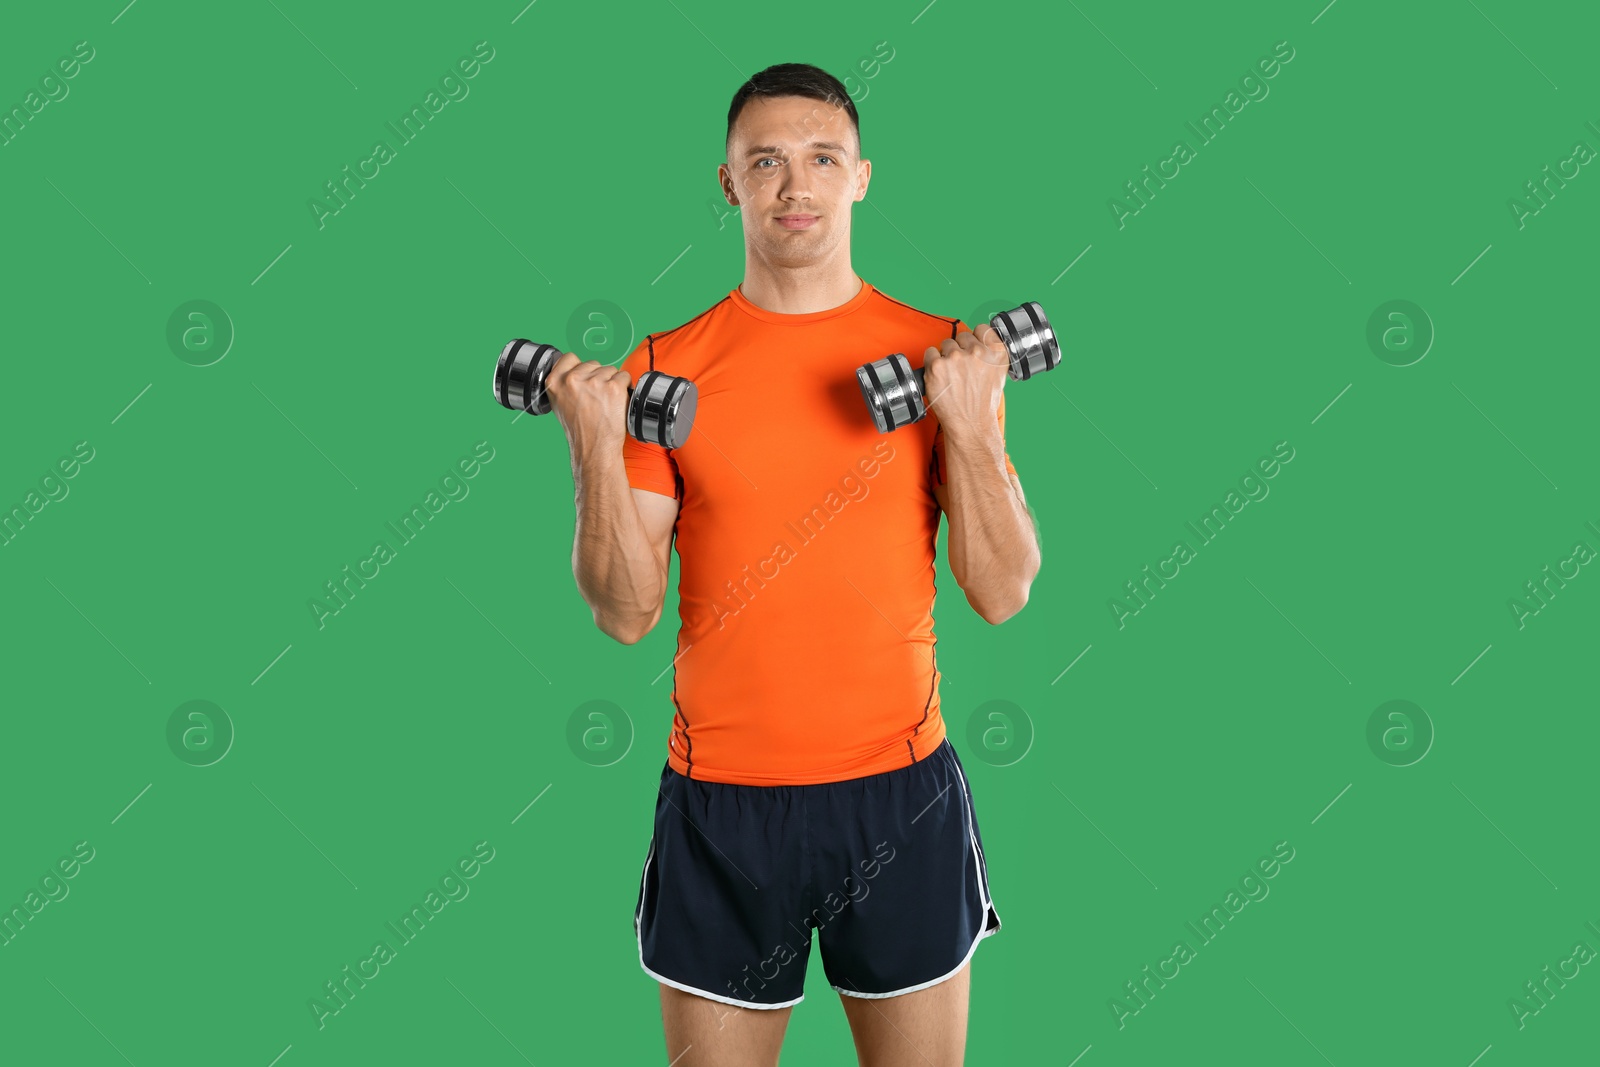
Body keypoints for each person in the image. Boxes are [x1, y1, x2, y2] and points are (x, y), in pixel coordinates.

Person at [543, 62, 1041, 1067]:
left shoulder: (943, 354)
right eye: (764, 161)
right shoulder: (660, 371)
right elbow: (624, 612)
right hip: (722, 802)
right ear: (727, 182)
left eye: (820, 159)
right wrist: (594, 443)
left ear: (862, 177)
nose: (793, 185)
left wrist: (971, 426)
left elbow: (1002, 589)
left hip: (899, 795)